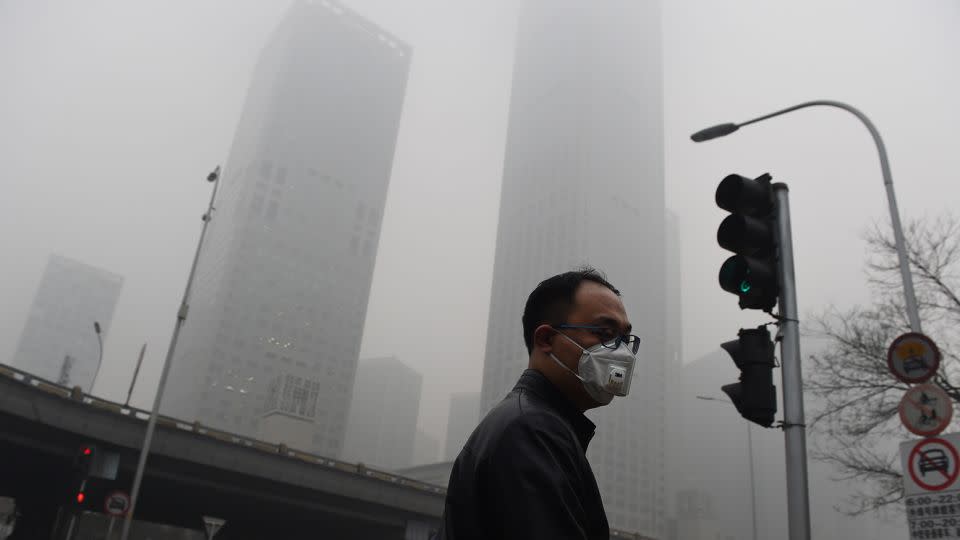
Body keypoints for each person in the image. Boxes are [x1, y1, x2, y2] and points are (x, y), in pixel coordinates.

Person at [436, 268, 640, 540]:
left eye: (625, 339)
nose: (622, 352)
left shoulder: (535, 424)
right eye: (604, 332)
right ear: (545, 339)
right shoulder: (531, 431)